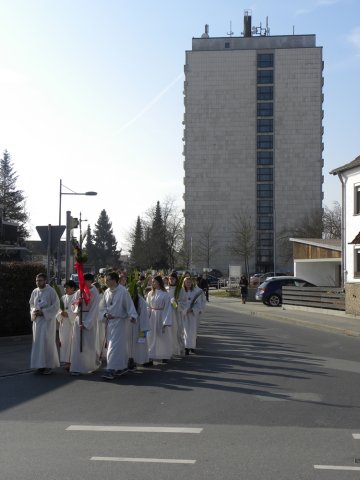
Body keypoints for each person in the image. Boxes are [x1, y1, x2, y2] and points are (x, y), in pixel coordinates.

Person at [101, 271, 138, 380]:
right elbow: (102, 307)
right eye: (106, 280)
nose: (106, 282)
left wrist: (132, 315)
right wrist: (105, 314)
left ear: (114, 280)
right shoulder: (107, 292)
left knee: (114, 346)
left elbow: (129, 305)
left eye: (108, 280)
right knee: (116, 347)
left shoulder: (123, 291)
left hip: (120, 322)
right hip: (109, 322)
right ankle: (121, 367)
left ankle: (110, 369)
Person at [29, 273, 60, 374]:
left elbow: (56, 306)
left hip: (47, 322)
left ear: (45, 281)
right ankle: (40, 365)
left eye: (40, 280)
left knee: (47, 343)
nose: (38, 282)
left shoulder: (51, 291)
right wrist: (34, 311)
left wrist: (44, 312)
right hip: (38, 322)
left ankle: (48, 366)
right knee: (38, 343)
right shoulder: (34, 291)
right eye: (37, 280)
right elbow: (32, 304)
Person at [70, 273, 100, 375]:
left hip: (89, 320)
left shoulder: (95, 293)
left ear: (91, 281)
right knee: (77, 345)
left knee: (88, 344)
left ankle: (88, 366)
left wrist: (86, 324)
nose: (83, 283)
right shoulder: (79, 291)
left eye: (86, 281)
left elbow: (95, 309)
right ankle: (77, 367)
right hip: (79, 318)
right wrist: (77, 305)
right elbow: (73, 305)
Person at [145, 275, 173, 365]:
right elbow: (147, 306)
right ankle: (150, 356)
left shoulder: (165, 294)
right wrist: (146, 316)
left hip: (161, 316)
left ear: (159, 282)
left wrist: (166, 321)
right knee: (151, 337)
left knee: (162, 336)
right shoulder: (150, 294)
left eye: (154, 281)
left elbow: (168, 308)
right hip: (152, 317)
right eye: (152, 282)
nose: (152, 283)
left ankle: (164, 355)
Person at [178, 276, 205, 355]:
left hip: (192, 313)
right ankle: (185, 347)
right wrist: (185, 309)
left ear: (192, 283)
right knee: (185, 330)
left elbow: (198, 303)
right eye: (186, 282)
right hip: (184, 313)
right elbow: (179, 302)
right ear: (184, 283)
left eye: (189, 282)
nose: (188, 283)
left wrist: (193, 309)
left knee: (192, 330)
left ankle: (192, 346)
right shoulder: (181, 292)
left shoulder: (195, 292)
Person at [56, 280, 77, 369]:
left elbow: (77, 310)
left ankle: (71, 361)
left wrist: (68, 314)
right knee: (64, 342)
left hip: (71, 324)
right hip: (63, 324)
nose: (65, 289)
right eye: (65, 287)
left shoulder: (76, 297)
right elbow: (58, 309)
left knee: (71, 343)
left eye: (67, 287)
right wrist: (60, 313)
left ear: (72, 288)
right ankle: (65, 361)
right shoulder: (62, 298)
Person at [167, 271, 185, 356]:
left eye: (173, 279)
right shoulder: (166, 289)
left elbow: (184, 302)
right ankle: (170, 349)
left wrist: (176, 304)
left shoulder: (180, 290)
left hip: (176, 312)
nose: (171, 280)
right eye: (170, 278)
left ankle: (180, 348)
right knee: (169, 331)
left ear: (176, 279)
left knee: (178, 330)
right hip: (167, 313)